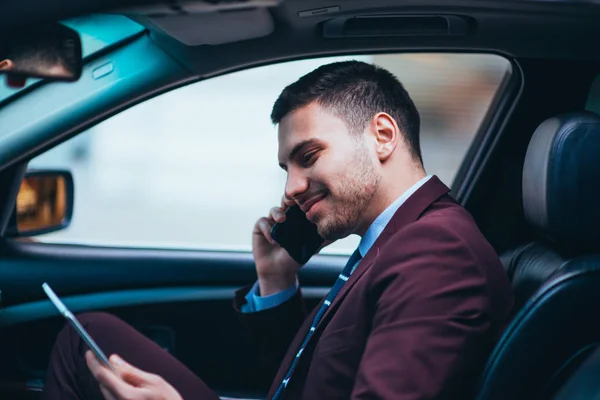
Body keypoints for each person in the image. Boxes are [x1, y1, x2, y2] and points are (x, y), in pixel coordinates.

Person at [41, 60, 514, 400]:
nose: (290, 188)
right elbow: (308, 378)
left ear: (383, 136)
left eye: (308, 157)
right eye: (286, 167)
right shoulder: (395, 237)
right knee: (88, 336)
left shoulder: (438, 252)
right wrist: (277, 280)